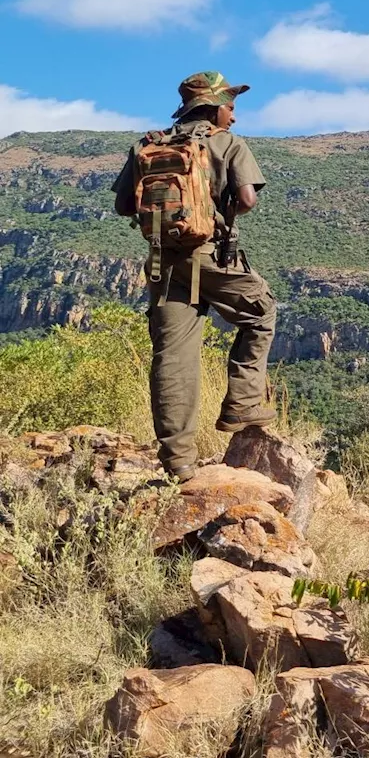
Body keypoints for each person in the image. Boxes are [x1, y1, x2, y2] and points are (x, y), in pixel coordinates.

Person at [112, 71, 277, 481]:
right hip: (209, 255)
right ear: (211, 107)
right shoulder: (226, 143)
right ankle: (243, 403)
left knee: (173, 357)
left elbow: (122, 206)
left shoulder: (148, 145)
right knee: (261, 313)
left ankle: (179, 463)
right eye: (231, 108)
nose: (234, 118)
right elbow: (247, 199)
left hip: (163, 264)